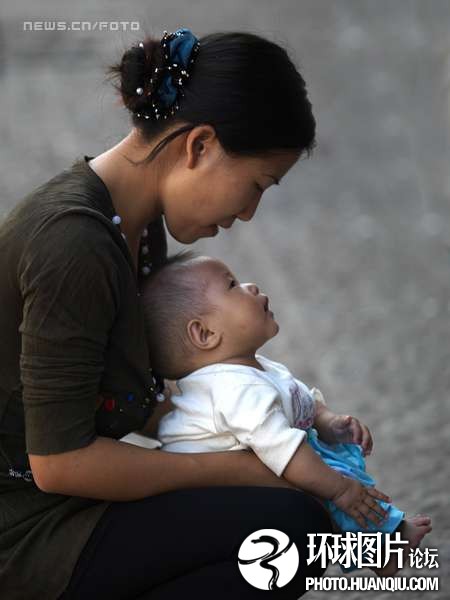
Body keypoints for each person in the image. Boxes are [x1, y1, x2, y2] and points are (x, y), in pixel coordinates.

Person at [0, 27, 331, 600]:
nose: (249, 213)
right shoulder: (74, 244)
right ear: (198, 146)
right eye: (256, 185)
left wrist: (276, 428)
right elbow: (60, 464)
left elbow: (133, 400)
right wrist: (244, 468)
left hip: (56, 502)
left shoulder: (134, 225)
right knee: (289, 532)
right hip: (25, 526)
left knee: (300, 507)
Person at [140, 252, 433, 576]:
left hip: (259, 465)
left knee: (326, 471)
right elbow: (286, 451)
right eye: (233, 285)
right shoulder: (232, 389)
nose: (251, 287)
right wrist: (340, 489)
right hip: (215, 496)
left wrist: (330, 422)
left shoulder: (255, 367)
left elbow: (303, 402)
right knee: (328, 485)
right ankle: (379, 548)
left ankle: (378, 542)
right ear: (205, 334)